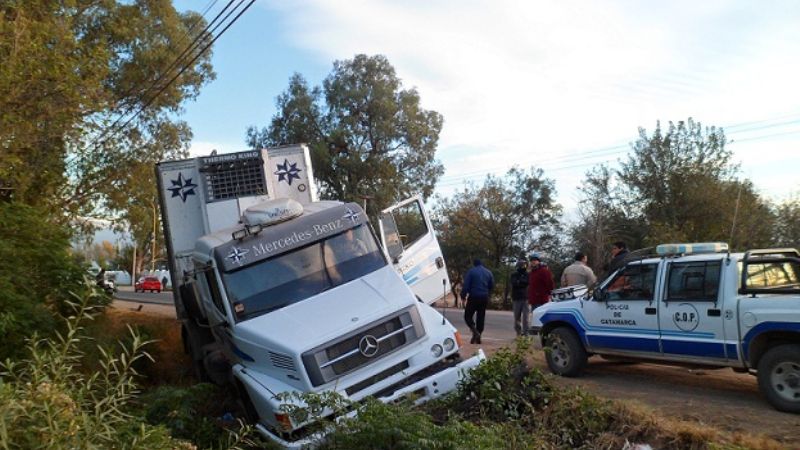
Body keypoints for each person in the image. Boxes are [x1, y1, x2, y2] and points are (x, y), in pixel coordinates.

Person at [460, 259, 494, 344]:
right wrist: (487, 293)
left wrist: (463, 296)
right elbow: (491, 285)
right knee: (481, 316)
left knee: (467, 316)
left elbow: (466, 286)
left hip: (474, 297)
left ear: (474, 264)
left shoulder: (471, 272)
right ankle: (478, 337)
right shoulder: (488, 272)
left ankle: (475, 332)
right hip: (484, 297)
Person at [510, 260, 530, 336]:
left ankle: (525, 333)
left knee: (526, 318)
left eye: (524, 265)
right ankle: (518, 332)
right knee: (516, 317)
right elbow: (514, 283)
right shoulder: (514, 274)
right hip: (516, 298)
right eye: (522, 265)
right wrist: (520, 282)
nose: (523, 267)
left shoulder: (527, 274)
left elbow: (526, 282)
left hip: (525, 298)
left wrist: (519, 282)